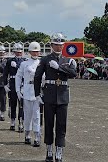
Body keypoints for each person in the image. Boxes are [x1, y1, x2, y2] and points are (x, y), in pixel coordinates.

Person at [34, 33, 77, 162]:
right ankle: (49, 150)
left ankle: (59, 151)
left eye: (61, 45)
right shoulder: (45, 59)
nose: (59, 47)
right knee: (48, 124)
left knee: (61, 125)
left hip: (63, 96)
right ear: (52, 45)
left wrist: (59, 67)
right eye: (56, 45)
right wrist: (37, 94)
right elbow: (37, 77)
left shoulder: (68, 60)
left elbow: (73, 73)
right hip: (49, 95)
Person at [15, 42, 42, 147]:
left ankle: (36, 135)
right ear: (30, 52)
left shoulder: (41, 63)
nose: (35, 53)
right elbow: (18, 76)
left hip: (37, 91)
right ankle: (27, 134)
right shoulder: (24, 64)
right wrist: (17, 90)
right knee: (27, 114)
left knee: (36, 115)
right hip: (26, 90)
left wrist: (36, 74)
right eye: (33, 51)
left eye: (37, 51)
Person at [4, 43, 25, 132]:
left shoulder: (24, 61)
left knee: (21, 105)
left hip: (22, 84)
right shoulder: (9, 61)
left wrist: (16, 66)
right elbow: (5, 73)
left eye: (20, 52)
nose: (18, 54)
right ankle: (12, 121)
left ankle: (21, 122)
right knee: (13, 104)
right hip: (12, 83)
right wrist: (5, 84)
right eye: (17, 52)